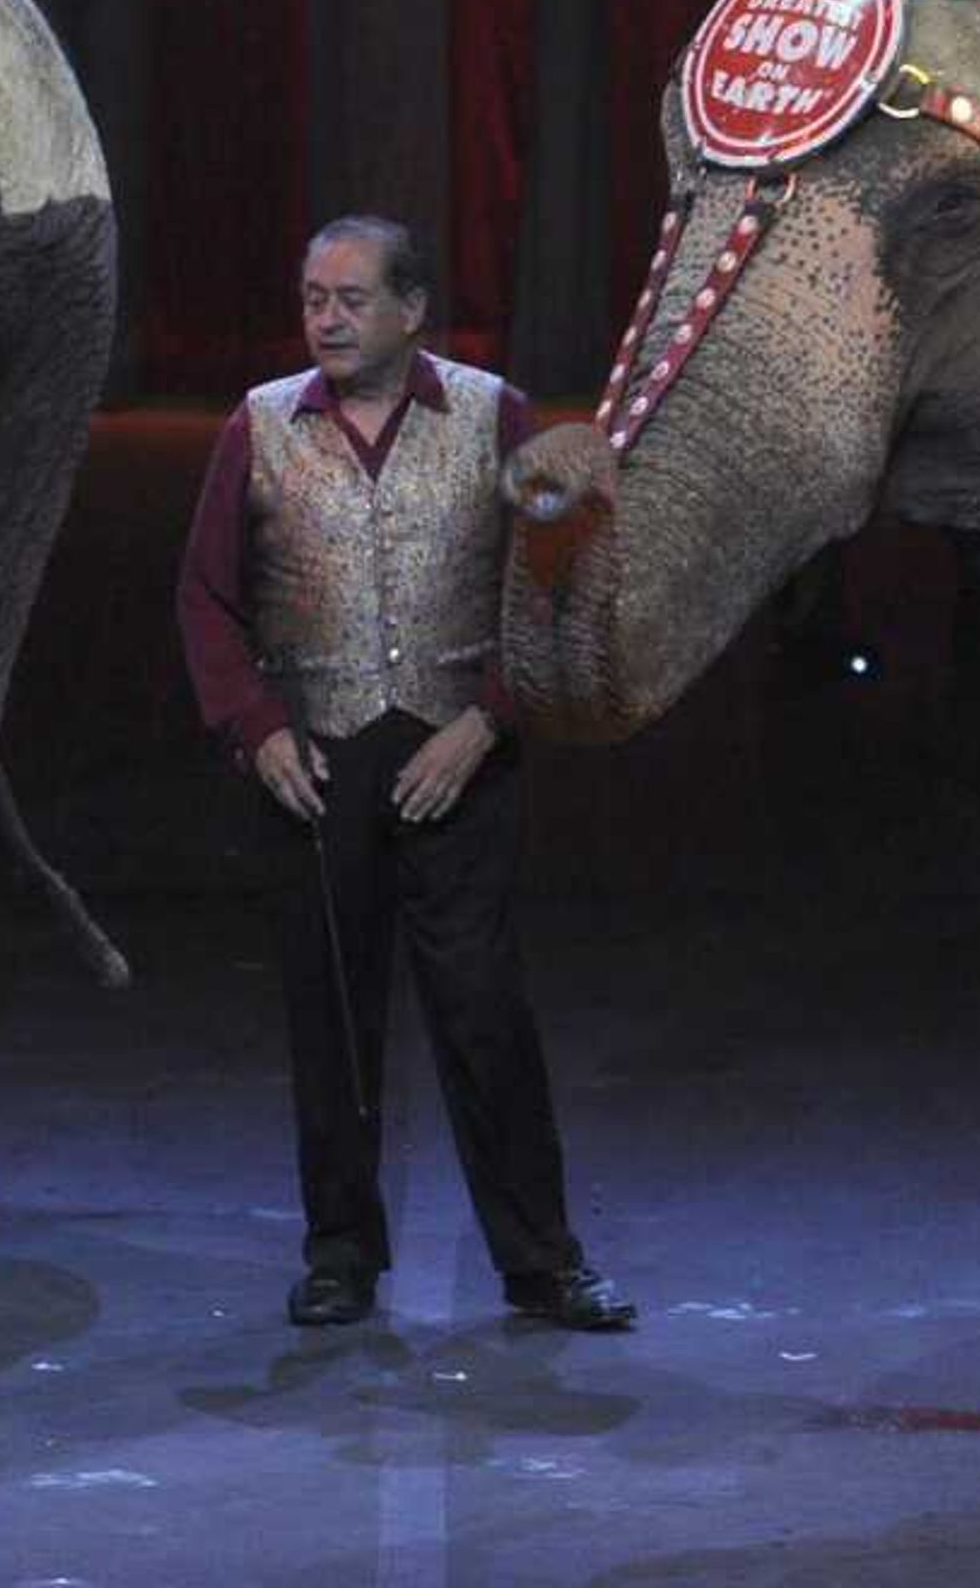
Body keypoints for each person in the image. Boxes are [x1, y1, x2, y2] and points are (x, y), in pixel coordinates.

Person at [173, 217, 636, 1334]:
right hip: (317, 762)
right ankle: (340, 1251)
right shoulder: (263, 425)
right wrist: (257, 728)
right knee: (331, 1018)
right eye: (313, 298)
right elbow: (206, 598)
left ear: (412, 309)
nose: (326, 317)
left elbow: (553, 595)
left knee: (485, 1015)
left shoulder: (490, 413)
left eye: (350, 297)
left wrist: (487, 722)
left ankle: (543, 1261)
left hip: (456, 757)